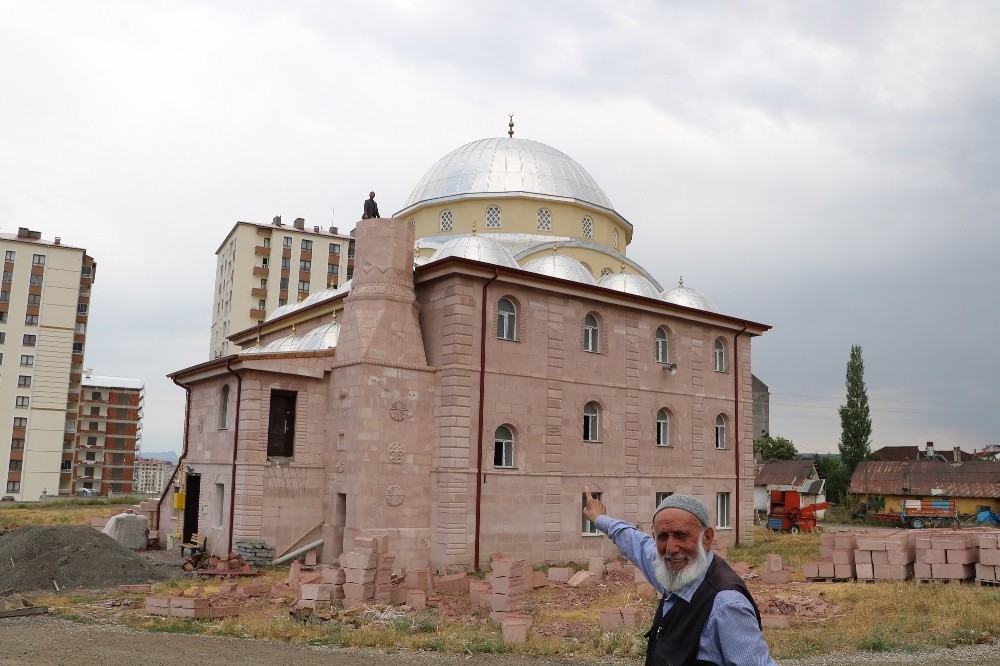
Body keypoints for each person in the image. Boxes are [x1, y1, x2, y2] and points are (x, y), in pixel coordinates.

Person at [583, 487, 776, 666]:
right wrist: (599, 518)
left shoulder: (726, 605)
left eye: (681, 535)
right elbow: (635, 542)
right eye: (662, 537)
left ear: (707, 538)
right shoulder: (674, 572)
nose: (671, 548)